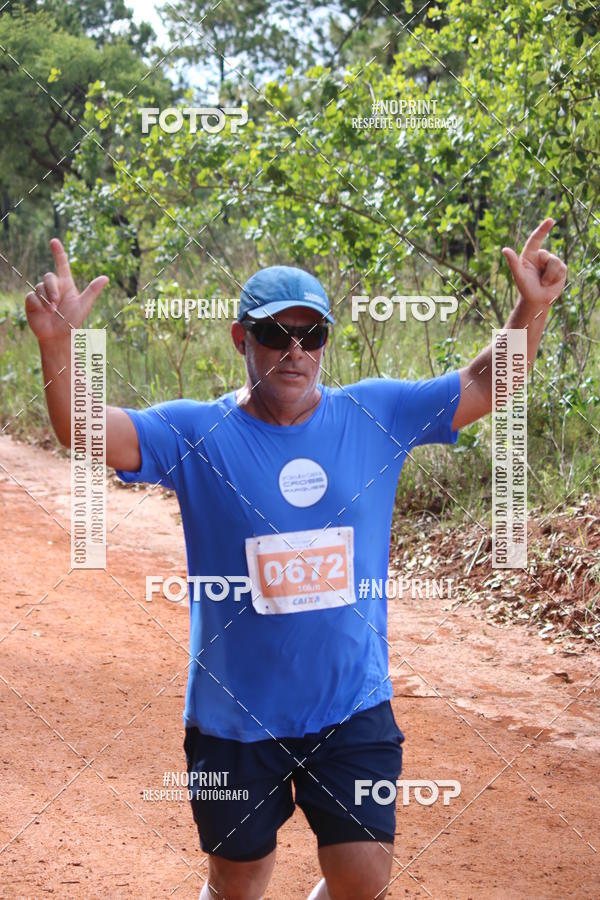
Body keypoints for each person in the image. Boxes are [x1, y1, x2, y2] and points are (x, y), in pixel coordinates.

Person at [26, 219, 566, 900]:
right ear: (240, 339)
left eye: (311, 334)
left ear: (326, 343)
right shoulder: (197, 431)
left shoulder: (378, 414)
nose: (294, 350)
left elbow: (489, 384)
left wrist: (532, 307)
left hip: (351, 705)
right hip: (233, 719)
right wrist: (56, 342)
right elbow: (85, 428)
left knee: (362, 879)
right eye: (276, 333)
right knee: (238, 880)